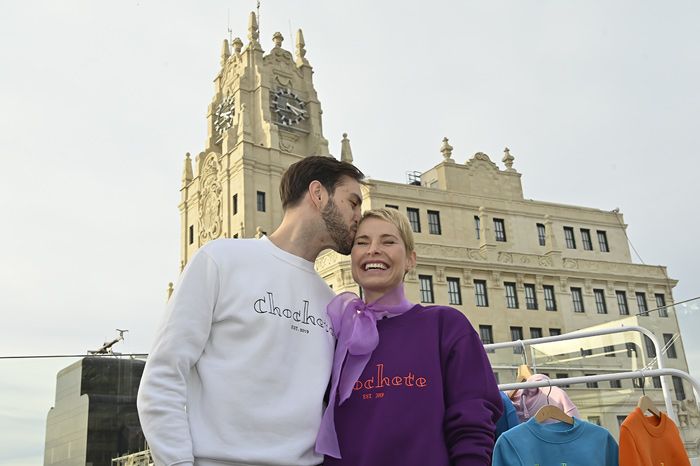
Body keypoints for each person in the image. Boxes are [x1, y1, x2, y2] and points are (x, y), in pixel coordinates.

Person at [137, 155, 365, 466]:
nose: (358, 216)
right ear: (318, 194)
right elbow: (163, 375)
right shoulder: (220, 260)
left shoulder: (331, 301)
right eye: (353, 202)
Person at [315, 208, 503, 466]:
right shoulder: (331, 333)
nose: (373, 250)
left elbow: (473, 419)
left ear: (410, 260)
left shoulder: (446, 326)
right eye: (362, 242)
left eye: (388, 241)